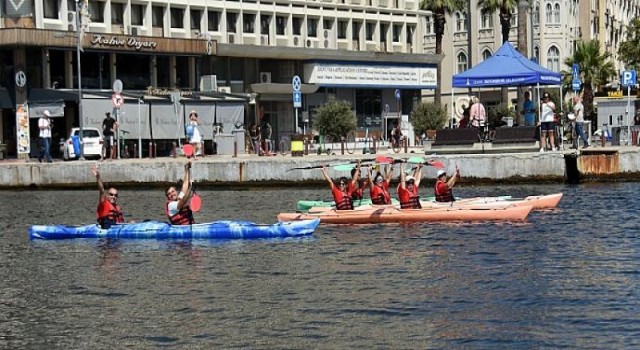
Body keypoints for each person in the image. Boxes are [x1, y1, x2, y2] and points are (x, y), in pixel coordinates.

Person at [92, 163, 124, 229]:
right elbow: (101, 190)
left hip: (118, 228)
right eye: (111, 194)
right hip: (107, 230)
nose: (113, 197)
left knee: (132, 221)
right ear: (107, 195)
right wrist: (98, 176)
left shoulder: (117, 207)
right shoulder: (104, 203)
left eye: (115, 195)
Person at [165, 161, 195, 225]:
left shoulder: (179, 198)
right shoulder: (171, 205)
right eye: (169, 194)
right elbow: (183, 201)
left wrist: (187, 170)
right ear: (168, 197)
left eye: (173, 191)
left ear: (176, 191)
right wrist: (190, 188)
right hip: (181, 229)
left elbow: (185, 184)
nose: (172, 194)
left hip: (189, 226)